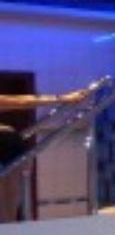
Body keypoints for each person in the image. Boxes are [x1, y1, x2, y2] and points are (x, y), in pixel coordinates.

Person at [0, 88, 87, 222]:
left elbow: (19, 101)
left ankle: (9, 226)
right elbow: (18, 101)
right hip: (8, 150)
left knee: (8, 202)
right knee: (8, 204)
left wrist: (62, 98)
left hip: (10, 151)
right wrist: (62, 98)